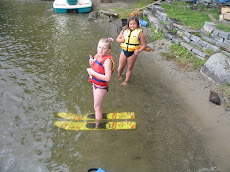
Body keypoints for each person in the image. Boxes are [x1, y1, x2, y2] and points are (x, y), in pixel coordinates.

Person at [87, 38, 115, 128]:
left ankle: (97, 124)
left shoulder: (107, 61)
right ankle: (99, 115)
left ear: (109, 51)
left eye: (103, 48)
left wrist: (92, 73)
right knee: (97, 105)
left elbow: (107, 78)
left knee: (97, 106)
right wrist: (91, 63)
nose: (100, 50)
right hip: (95, 85)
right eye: (99, 47)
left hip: (101, 87)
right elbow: (95, 67)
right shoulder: (98, 56)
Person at [116, 16, 146, 85]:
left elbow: (143, 45)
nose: (132, 25)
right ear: (128, 24)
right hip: (123, 51)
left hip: (133, 53)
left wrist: (139, 51)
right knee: (121, 67)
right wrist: (121, 40)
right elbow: (117, 39)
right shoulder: (124, 30)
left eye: (134, 24)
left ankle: (126, 81)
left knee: (129, 68)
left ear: (137, 24)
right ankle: (119, 74)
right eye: (131, 24)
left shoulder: (140, 33)